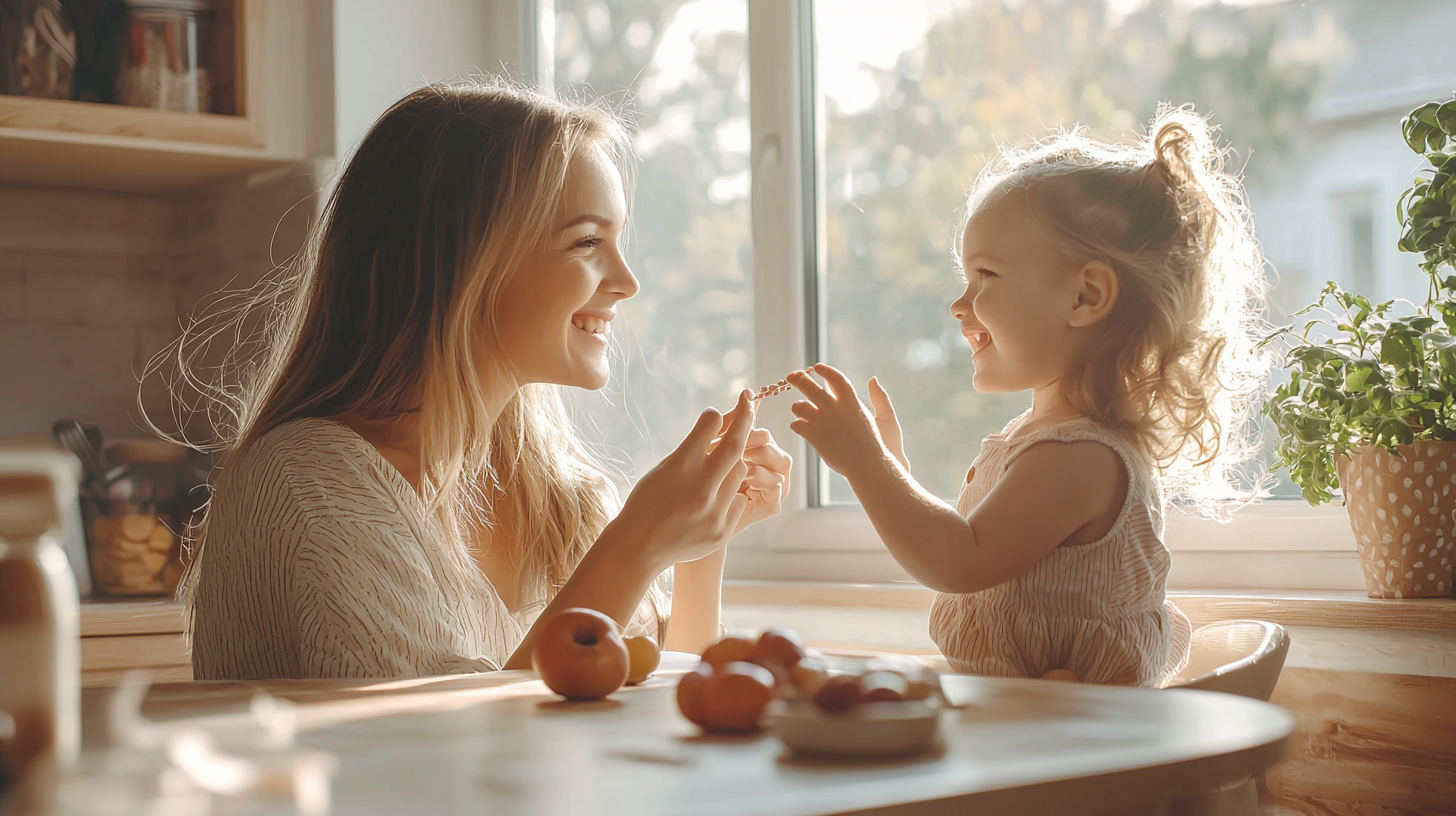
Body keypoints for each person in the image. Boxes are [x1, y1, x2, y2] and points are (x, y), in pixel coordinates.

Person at [170, 79, 791, 680]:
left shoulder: (562, 499)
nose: (627, 281)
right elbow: (447, 762)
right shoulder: (310, 481)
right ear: (462, 262)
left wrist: (697, 550)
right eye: (586, 241)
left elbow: (657, 704)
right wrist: (637, 543)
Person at [785, 106, 1269, 686]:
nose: (960, 305)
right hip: (1026, 721)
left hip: (1071, 743)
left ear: (1085, 296)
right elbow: (970, 547)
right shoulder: (1043, 441)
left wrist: (867, 465)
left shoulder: (1081, 457)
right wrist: (892, 467)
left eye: (985, 276)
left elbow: (960, 560)